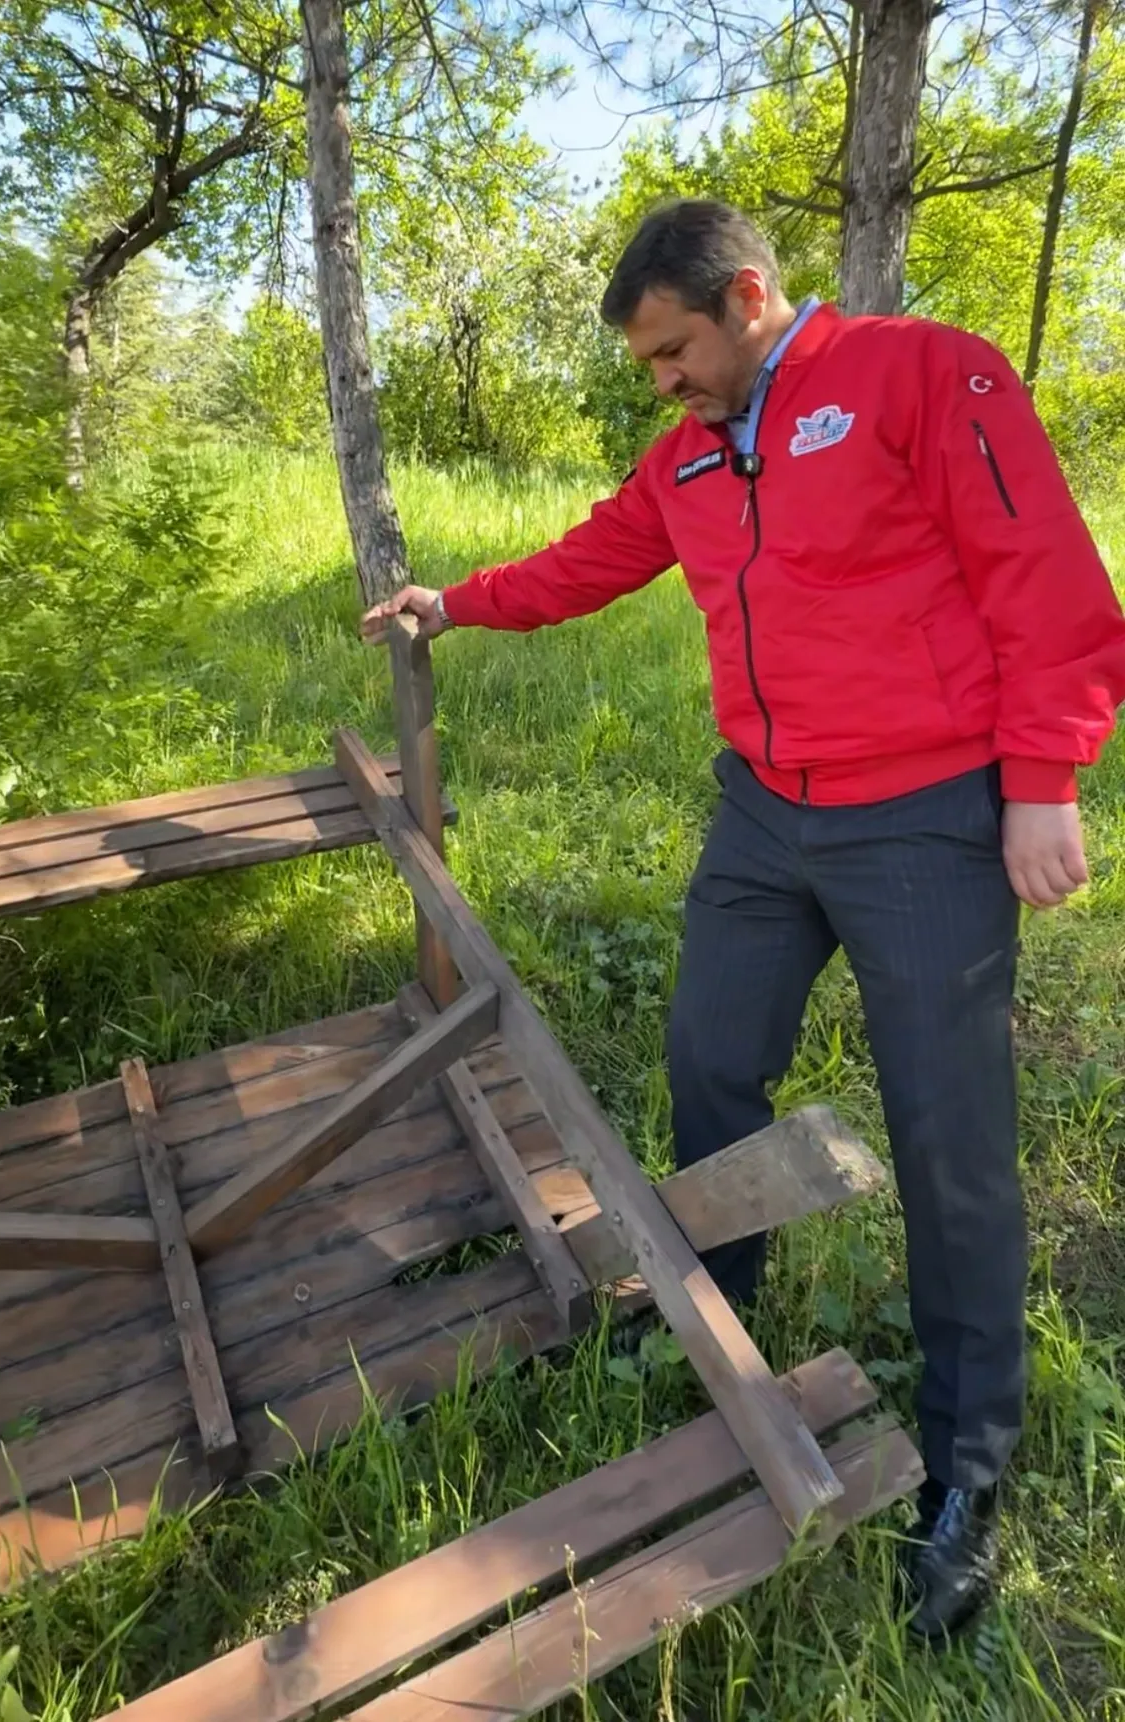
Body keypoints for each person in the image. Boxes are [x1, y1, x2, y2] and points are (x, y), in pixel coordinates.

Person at [360, 200, 1125, 1643]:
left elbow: (1049, 584)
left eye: (672, 350)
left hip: (927, 821)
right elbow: (587, 560)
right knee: (708, 1052)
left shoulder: (923, 373)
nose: (664, 381)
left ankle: (968, 1472)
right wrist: (453, 601)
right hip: (767, 813)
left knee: (948, 1140)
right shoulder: (691, 457)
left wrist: (1044, 783)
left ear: (749, 295)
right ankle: (723, 1314)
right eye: (651, 365)